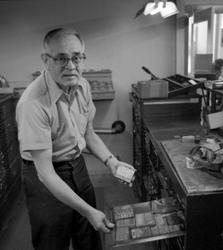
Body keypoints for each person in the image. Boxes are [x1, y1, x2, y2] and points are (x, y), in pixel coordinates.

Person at [16, 28, 135, 250]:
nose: (71, 66)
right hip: (45, 175)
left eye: (77, 57)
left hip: (77, 167)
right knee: (52, 240)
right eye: (61, 58)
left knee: (89, 236)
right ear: (46, 60)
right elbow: (46, 174)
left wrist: (112, 162)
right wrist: (88, 211)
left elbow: (88, 134)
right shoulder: (33, 103)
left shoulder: (83, 85)